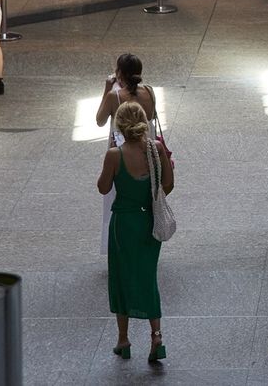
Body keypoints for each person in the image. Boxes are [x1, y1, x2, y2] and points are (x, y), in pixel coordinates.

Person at [98, 101, 174, 364]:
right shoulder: (156, 150)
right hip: (148, 223)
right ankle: (156, 336)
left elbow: (103, 188)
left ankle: (123, 339)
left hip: (123, 223)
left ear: (119, 125)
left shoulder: (114, 155)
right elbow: (167, 185)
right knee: (147, 277)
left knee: (121, 277)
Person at [96, 54, 160, 253]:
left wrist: (108, 87)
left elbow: (99, 120)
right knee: (146, 194)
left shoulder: (114, 96)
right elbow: (150, 117)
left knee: (118, 194)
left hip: (121, 149)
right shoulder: (149, 92)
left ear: (119, 74)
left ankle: (118, 241)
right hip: (146, 148)